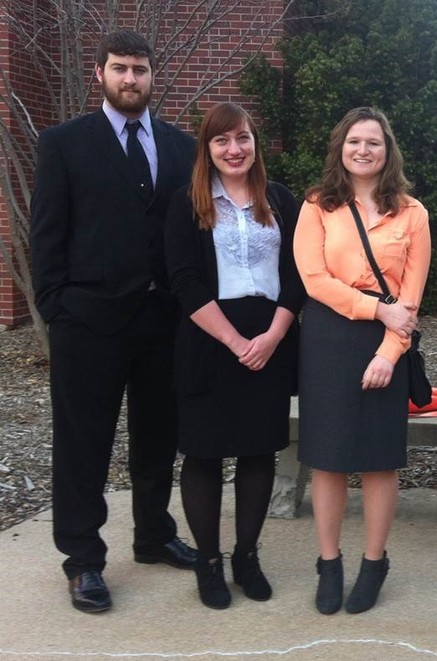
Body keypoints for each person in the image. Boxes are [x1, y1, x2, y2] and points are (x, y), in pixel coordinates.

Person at [29, 30, 198, 613]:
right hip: (87, 324)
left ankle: (152, 535)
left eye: (141, 70)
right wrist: (57, 308)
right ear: (100, 72)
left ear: (154, 77)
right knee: (83, 445)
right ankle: (83, 560)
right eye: (120, 68)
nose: (131, 79)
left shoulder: (180, 148)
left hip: (163, 321)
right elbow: (46, 234)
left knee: (158, 439)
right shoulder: (65, 144)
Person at [164, 102, 305, 610]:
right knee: (202, 454)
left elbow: (297, 277)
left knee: (257, 451)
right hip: (208, 339)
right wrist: (233, 341)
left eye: (242, 138)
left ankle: (247, 556)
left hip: (270, 338)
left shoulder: (282, 201)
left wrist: (271, 337)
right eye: (222, 141)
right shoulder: (188, 203)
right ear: (207, 149)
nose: (234, 149)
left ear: (254, 143)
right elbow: (183, 280)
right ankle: (208, 561)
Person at [293, 107, 431, 615]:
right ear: (341, 147)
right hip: (329, 336)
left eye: (373, 142)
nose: (363, 150)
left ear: (387, 149)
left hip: (388, 342)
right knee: (327, 458)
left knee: (378, 459)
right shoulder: (316, 206)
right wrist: (376, 308)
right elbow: (314, 281)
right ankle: (329, 563)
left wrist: (389, 354)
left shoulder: (413, 213)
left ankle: (374, 563)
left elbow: (411, 300)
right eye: (354, 141)